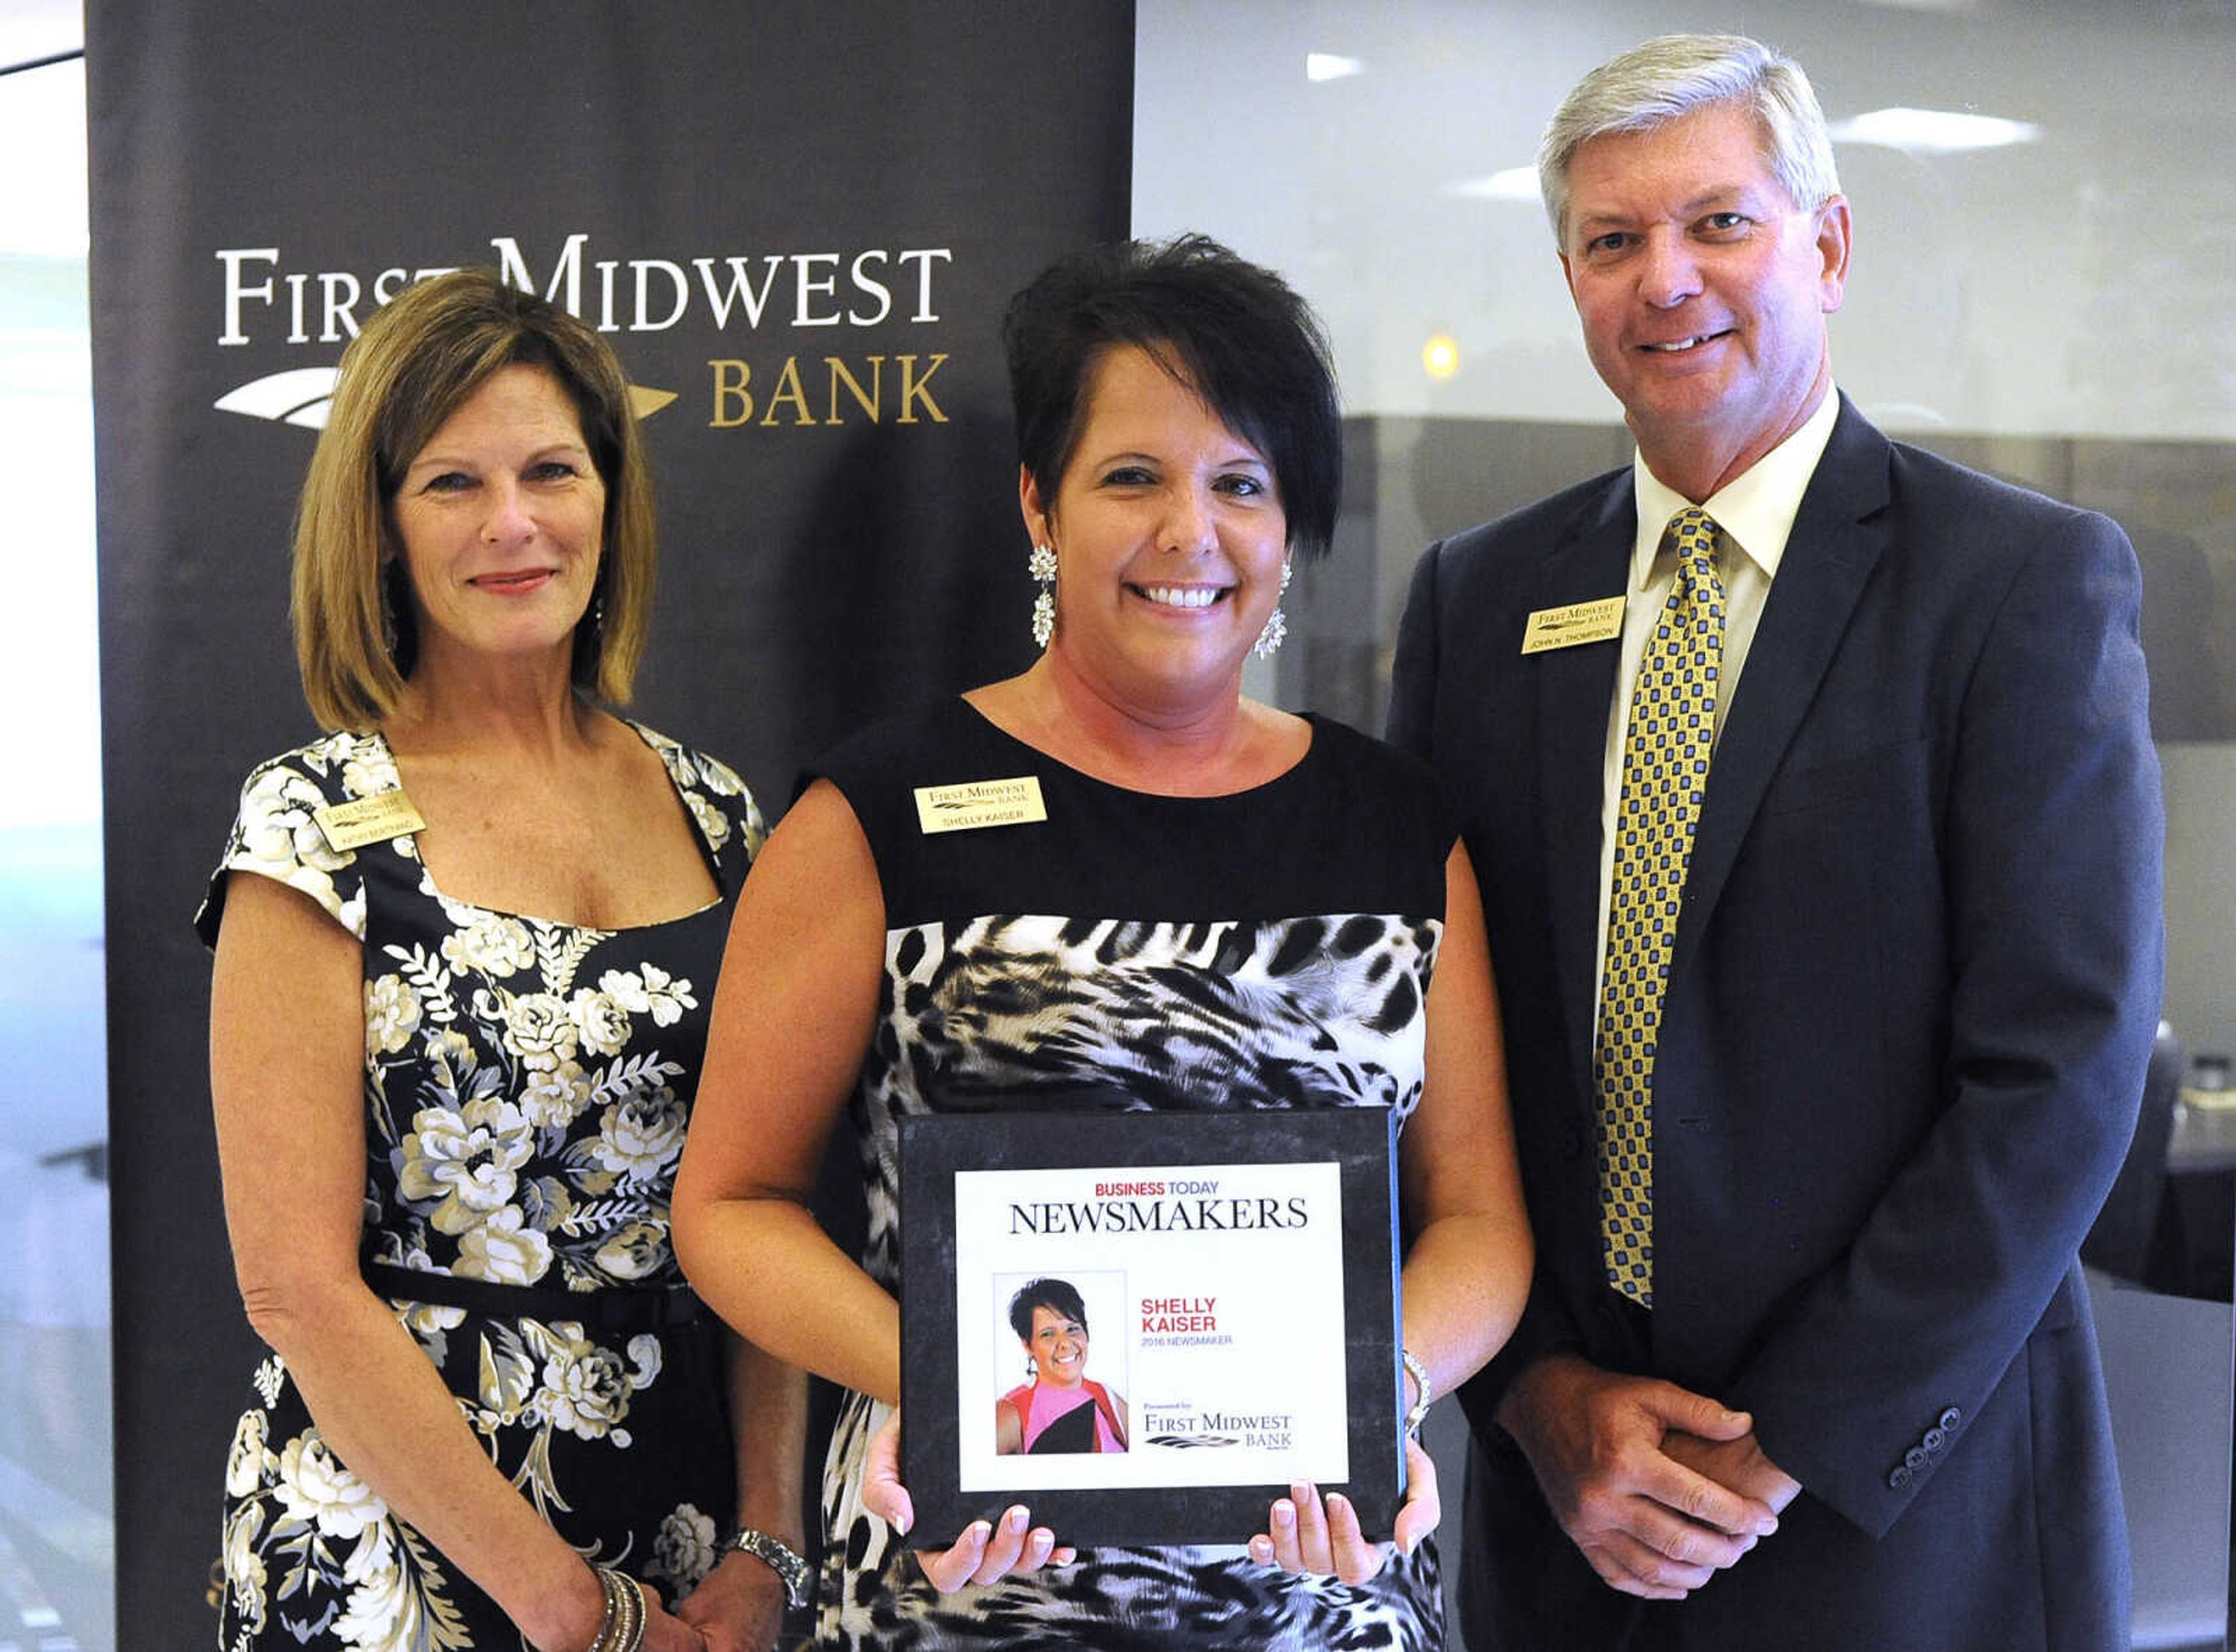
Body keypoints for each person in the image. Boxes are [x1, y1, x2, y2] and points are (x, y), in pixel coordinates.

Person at [1386, 33, 2163, 1652]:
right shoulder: (1482, 600)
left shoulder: (2017, 584)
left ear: (1828, 243)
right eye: (1613, 241)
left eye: (1717, 223)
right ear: (1573, 280)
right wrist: (1536, 1396)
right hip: (1570, 1524)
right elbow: (1434, 1048)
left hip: (1901, 1519)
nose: (1664, 279)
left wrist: (1783, 1438)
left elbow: (2060, 1074)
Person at [674, 234, 1533, 1648]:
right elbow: (731, 1205)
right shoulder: (875, 813)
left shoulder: (1396, 827)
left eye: (1240, 484)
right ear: (1038, 503)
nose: (1189, 533)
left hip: (1318, 1600)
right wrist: (948, 1387)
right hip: (959, 1589)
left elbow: (1480, 1223)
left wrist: (1374, 1385)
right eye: (1131, 476)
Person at [199, 269, 807, 1652]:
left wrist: (770, 1543)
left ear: (611, 496)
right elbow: (292, 1283)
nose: (514, 523)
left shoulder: (721, 814)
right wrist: (566, 1608)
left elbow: (762, 1211)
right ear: (381, 526)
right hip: (388, 1550)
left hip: (683, 1537)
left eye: (550, 470)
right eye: (452, 484)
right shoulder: (309, 820)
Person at [995, 1279, 1128, 1456]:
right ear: (1028, 1346)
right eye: (1048, 1334)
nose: (1065, 1343)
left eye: (1072, 1329)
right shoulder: (1012, 1411)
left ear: (1086, 1334)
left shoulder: (1106, 1397)